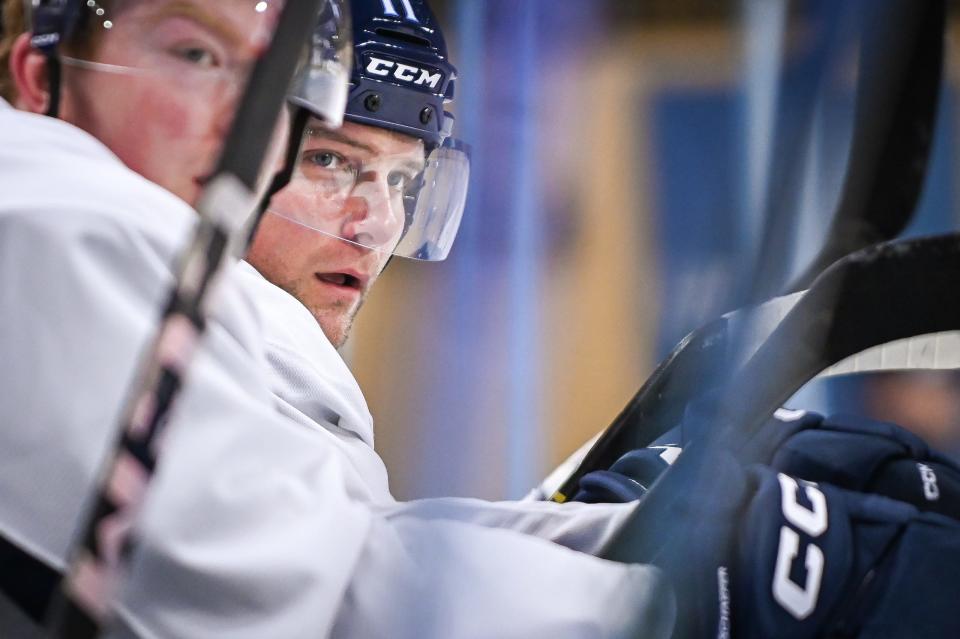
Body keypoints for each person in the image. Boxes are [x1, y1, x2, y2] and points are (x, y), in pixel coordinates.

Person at [0, 1, 676, 636]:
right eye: (328, 160)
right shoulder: (58, 220)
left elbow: (358, 538)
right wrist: (680, 597)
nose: (378, 224)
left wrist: (630, 533)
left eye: (405, 183)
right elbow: (317, 591)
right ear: (42, 81)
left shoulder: (230, 332)